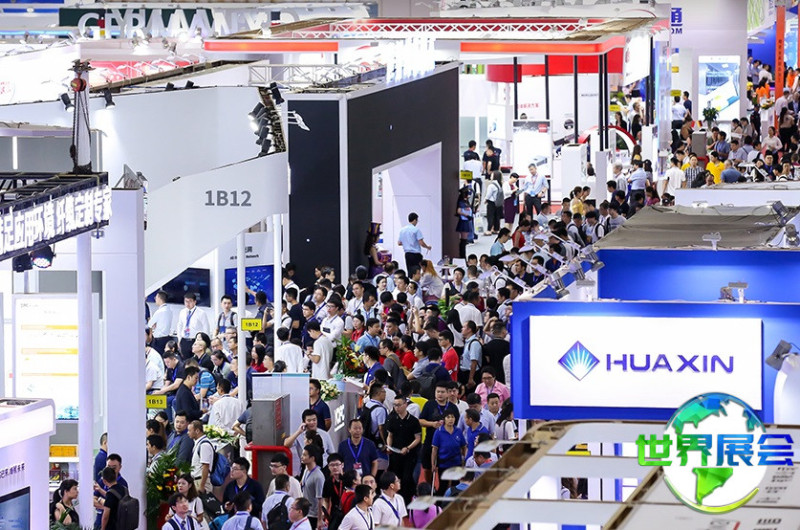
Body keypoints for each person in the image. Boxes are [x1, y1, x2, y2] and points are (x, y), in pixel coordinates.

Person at [385, 395, 422, 504]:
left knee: (407, 479)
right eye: (395, 405)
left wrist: (408, 448)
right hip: (395, 455)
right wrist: (389, 446)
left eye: (399, 405)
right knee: (395, 479)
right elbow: (390, 435)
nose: (397, 408)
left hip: (409, 456)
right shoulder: (392, 419)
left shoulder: (413, 421)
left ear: (405, 404)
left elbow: (418, 438)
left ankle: (407, 502)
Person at [431, 410, 466, 494]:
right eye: (448, 417)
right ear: (444, 419)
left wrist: (464, 460)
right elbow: (434, 450)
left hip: (456, 463)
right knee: (443, 486)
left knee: (456, 486)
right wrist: (433, 464)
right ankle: (440, 502)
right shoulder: (439, 432)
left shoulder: (458, 431)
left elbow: (464, 447)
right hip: (444, 463)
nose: (451, 419)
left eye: (452, 417)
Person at [176, 293, 211, 359]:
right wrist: (179, 338)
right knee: (185, 361)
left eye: (190, 301)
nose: (188, 304)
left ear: (195, 302)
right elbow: (179, 325)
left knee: (195, 361)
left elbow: (206, 327)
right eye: (186, 301)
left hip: (195, 341)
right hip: (184, 340)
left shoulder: (201, 313)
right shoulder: (182, 312)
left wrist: (205, 343)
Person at [300, 445, 326, 529]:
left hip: (313, 515)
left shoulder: (318, 476)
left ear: (312, 458)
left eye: (305, 455)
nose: (302, 457)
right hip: (305, 511)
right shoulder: (306, 470)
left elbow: (320, 499)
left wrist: (319, 519)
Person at [188, 419, 214, 493]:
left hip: (201, 481)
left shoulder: (204, 445)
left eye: (189, 430)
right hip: (196, 481)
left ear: (197, 431)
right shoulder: (198, 443)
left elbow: (205, 466)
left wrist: (202, 486)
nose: (188, 433)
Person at [483, 170, 504, 236]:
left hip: (491, 202)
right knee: (497, 216)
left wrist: (485, 200)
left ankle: (489, 230)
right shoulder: (500, 184)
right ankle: (496, 229)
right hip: (498, 202)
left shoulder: (491, 185)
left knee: (490, 216)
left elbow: (489, 194)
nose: (491, 176)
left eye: (492, 175)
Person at [455, 188, 473, 259]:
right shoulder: (461, 202)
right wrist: (466, 215)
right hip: (463, 221)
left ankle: (463, 255)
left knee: (464, 240)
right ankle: (462, 255)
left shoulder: (466, 202)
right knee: (463, 240)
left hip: (466, 221)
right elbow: (459, 211)